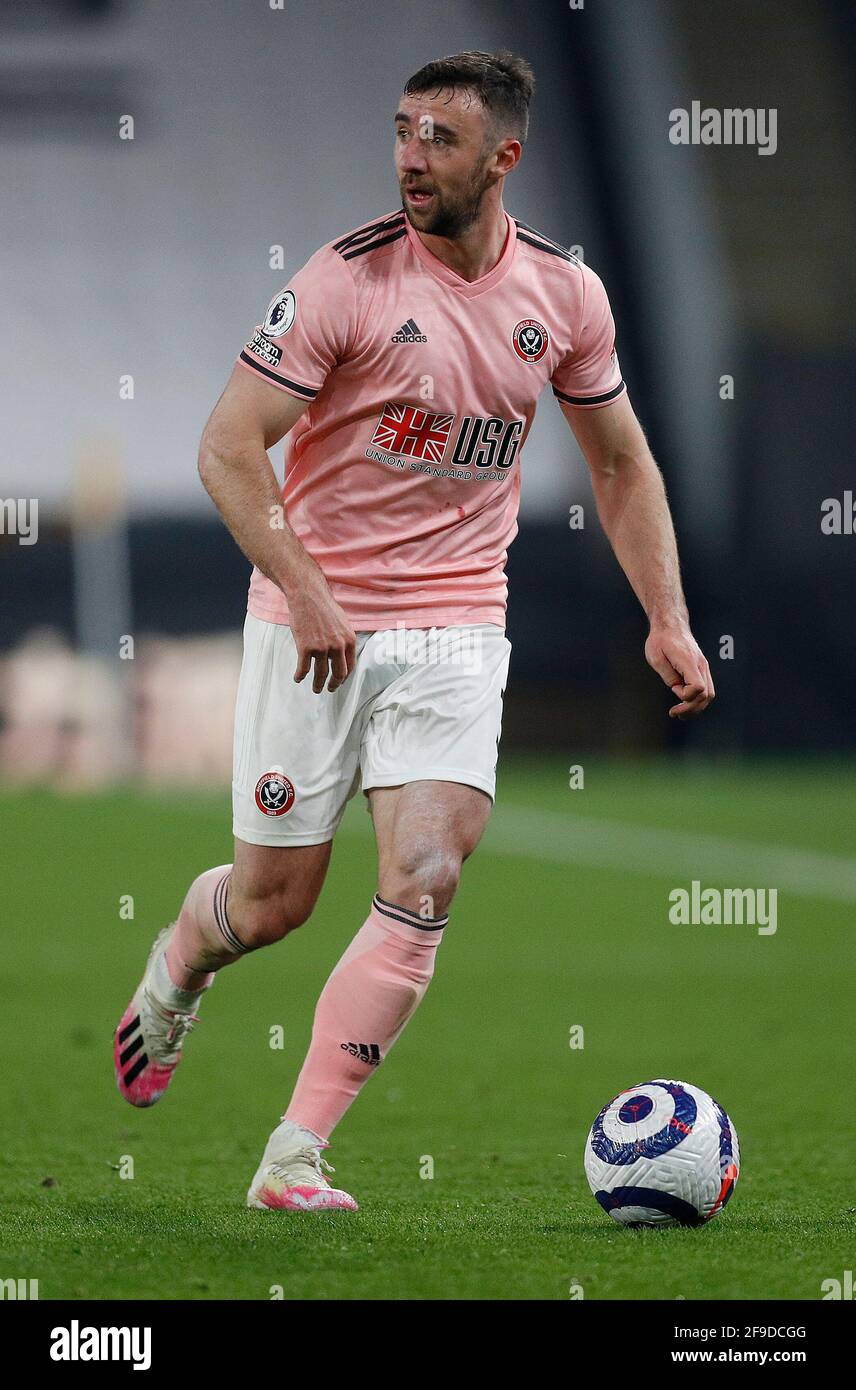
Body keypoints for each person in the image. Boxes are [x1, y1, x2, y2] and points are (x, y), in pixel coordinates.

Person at [113, 49, 714, 1212]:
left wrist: (670, 618)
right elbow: (227, 448)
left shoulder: (564, 297)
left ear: (505, 158)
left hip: (453, 617)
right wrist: (306, 584)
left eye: (438, 138)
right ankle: (181, 963)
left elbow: (621, 463)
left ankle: (292, 1157)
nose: (409, 158)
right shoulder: (346, 283)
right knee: (273, 905)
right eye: (401, 131)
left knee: (427, 876)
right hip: (312, 616)